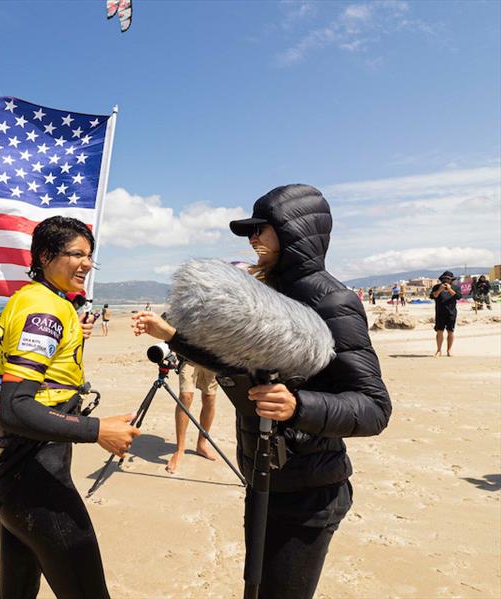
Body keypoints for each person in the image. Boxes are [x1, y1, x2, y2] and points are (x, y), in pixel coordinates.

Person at [132, 184, 391, 598]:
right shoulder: (264, 293)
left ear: (296, 232)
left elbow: (374, 407)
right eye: (250, 230)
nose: (253, 239)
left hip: (310, 490)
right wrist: (176, 338)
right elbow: (240, 366)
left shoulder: (333, 300)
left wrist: (298, 405)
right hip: (263, 475)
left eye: (262, 229)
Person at [0, 216, 140, 599]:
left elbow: (43, 388)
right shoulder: (44, 310)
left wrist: (71, 334)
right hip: (33, 478)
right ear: (47, 255)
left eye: (91, 257)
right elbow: (15, 407)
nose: (87, 264)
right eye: (77, 255)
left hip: (15, 471)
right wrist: (97, 430)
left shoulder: (44, 301)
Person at [166, 360, 218, 473]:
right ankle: (180, 449)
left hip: (211, 356)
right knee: (185, 396)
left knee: (209, 398)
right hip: (188, 355)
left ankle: (201, 445)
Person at [430, 270, 462, 356]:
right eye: (444, 278)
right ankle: (438, 350)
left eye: (447, 279)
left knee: (450, 331)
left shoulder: (456, 287)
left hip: (451, 312)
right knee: (439, 331)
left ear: (451, 280)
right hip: (440, 312)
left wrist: (449, 289)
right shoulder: (436, 287)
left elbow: (458, 297)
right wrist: (439, 290)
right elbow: (433, 296)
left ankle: (449, 350)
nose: (445, 280)